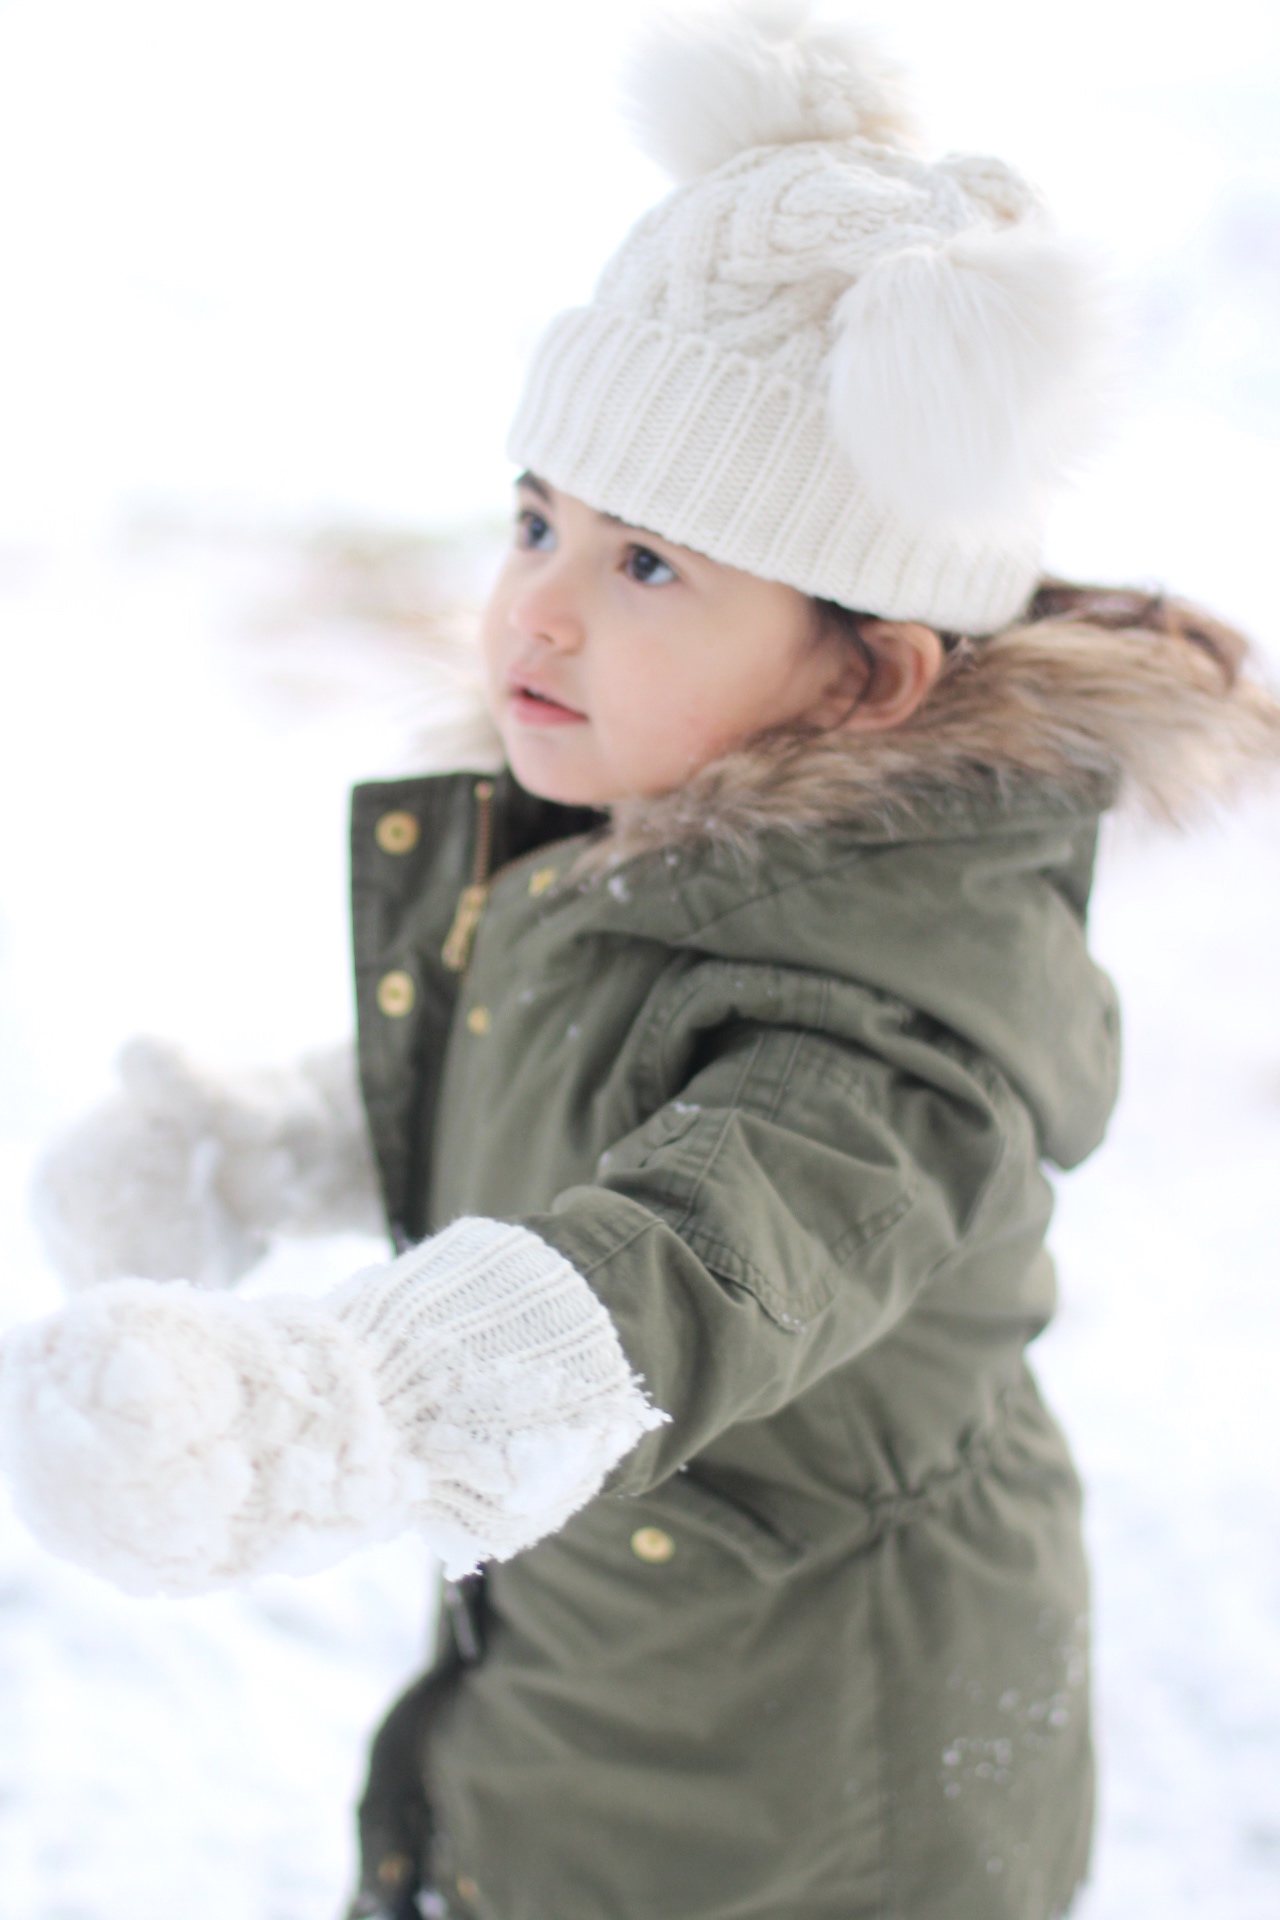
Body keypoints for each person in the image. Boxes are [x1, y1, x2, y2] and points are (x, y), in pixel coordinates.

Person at [2, 6, 1278, 1917]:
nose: (541, 604)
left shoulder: (893, 1045)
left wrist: (317, 1421)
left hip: (808, 1814)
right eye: (540, 518)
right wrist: (265, 1146)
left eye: (651, 565)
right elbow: (541, 1105)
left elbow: (677, 1263)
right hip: (603, 1710)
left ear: (865, 674)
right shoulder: (620, 836)